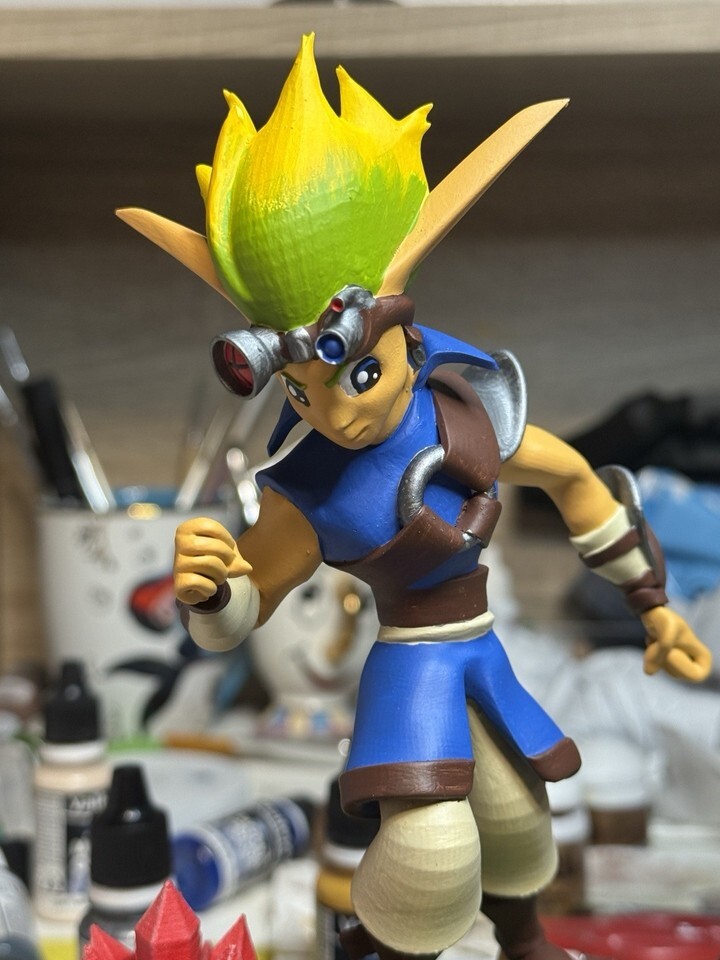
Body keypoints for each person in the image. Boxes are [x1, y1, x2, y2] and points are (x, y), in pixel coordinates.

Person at [120, 35, 711, 960]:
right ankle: (381, 947)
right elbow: (250, 599)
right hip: (410, 665)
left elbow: (572, 478)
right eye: (298, 391)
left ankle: (523, 939)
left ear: (400, 330)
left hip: (481, 650)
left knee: (520, 833)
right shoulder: (310, 481)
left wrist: (652, 603)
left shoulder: (461, 407)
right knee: (433, 858)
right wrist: (212, 590)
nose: (334, 414)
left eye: (357, 374)